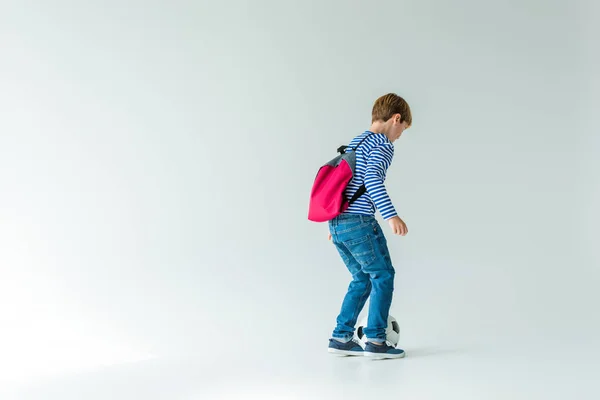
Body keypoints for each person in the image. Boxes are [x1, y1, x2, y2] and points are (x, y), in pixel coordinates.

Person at [326, 93, 411, 359]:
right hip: (360, 223)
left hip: (338, 222)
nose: (399, 136)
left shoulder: (354, 142)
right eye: (402, 129)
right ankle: (376, 340)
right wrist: (391, 215)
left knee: (361, 278)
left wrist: (335, 226)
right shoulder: (382, 144)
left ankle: (341, 338)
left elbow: (341, 184)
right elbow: (373, 180)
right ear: (396, 119)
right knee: (382, 276)